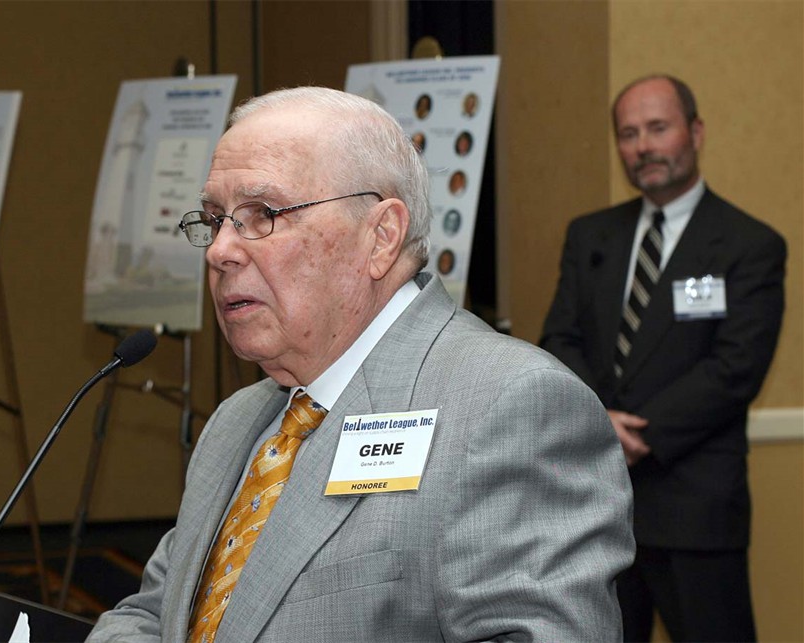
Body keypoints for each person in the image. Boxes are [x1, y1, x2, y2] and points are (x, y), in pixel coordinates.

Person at [88, 86, 633, 643]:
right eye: (215, 218)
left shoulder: (511, 406)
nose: (220, 249)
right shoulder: (236, 422)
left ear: (381, 236)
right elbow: (149, 616)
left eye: (261, 214)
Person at [540, 75, 786, 643]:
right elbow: (559, 340)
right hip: (597, 505)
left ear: (695, 133)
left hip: (694, 506)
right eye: (628, 134)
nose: (643, 146)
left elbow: (735, 368)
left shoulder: (749, 244)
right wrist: (598, 423)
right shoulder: (589, 236)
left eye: (658, 128)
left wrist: (636, 435)